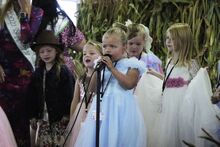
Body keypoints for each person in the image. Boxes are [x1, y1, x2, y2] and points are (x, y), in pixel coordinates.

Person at [149, 23, 219, 147]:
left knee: (181, 134)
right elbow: (169, 81)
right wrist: (156, 75)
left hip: (182, 107)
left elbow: (197, 88)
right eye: (167, 38)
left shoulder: (190, 64)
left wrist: (202, 76)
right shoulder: (169, 61)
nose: (168, 42)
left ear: (183, 40)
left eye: (173, 39)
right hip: (167, 106)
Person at [74, 26, 147, 147]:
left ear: (124, 47)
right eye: (104, 46)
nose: (108, 50)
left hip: (121, 109)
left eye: (113, 46)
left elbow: (128, 84)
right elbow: (92, 89)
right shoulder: (101, 64)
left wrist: (112, 69)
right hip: (101, 107)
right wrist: (97, 70)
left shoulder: (132, 64)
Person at [0, 0, 43, 146]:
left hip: (25, 77)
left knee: (23, 123)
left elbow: (26, 39)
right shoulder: (1, 10)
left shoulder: (37, 12)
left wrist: (25, 12)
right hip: (4, 77)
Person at [27, 30, 74, 146]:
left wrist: (67, 114)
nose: (45, 54)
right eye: (42, 52)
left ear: (56, 51)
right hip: (43, 120)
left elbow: (69, 93)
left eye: (49, 51)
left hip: (59, 119)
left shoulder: (63, 71)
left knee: (60, 143)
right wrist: (32, 115)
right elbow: (32, 95)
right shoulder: (37, 73)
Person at [64, 40, 103, 146]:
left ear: (101, 56)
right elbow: (75, 100)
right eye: (84, 53)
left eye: (92, 53)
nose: (87, 55)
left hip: (97, 112)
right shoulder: (80, 79)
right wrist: (72, 119)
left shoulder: (104, 76)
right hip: (81, 114)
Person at [32, 0, 86, 74]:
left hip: (35, 68)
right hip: (62, 69)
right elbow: (82, 45)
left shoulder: (29, 23)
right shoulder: (62, 22)